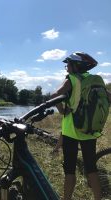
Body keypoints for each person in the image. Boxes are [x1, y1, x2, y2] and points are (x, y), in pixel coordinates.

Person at [50, 51, 111, 200]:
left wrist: (63, 110)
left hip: (72, 132)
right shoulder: (95, 80)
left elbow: (54, 96)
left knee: (69, 170)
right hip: (90, 130)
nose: (67, 68)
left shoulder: (71, 79)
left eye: (68, 64)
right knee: (91, 168)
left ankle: (67, 198)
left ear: (76, 65)